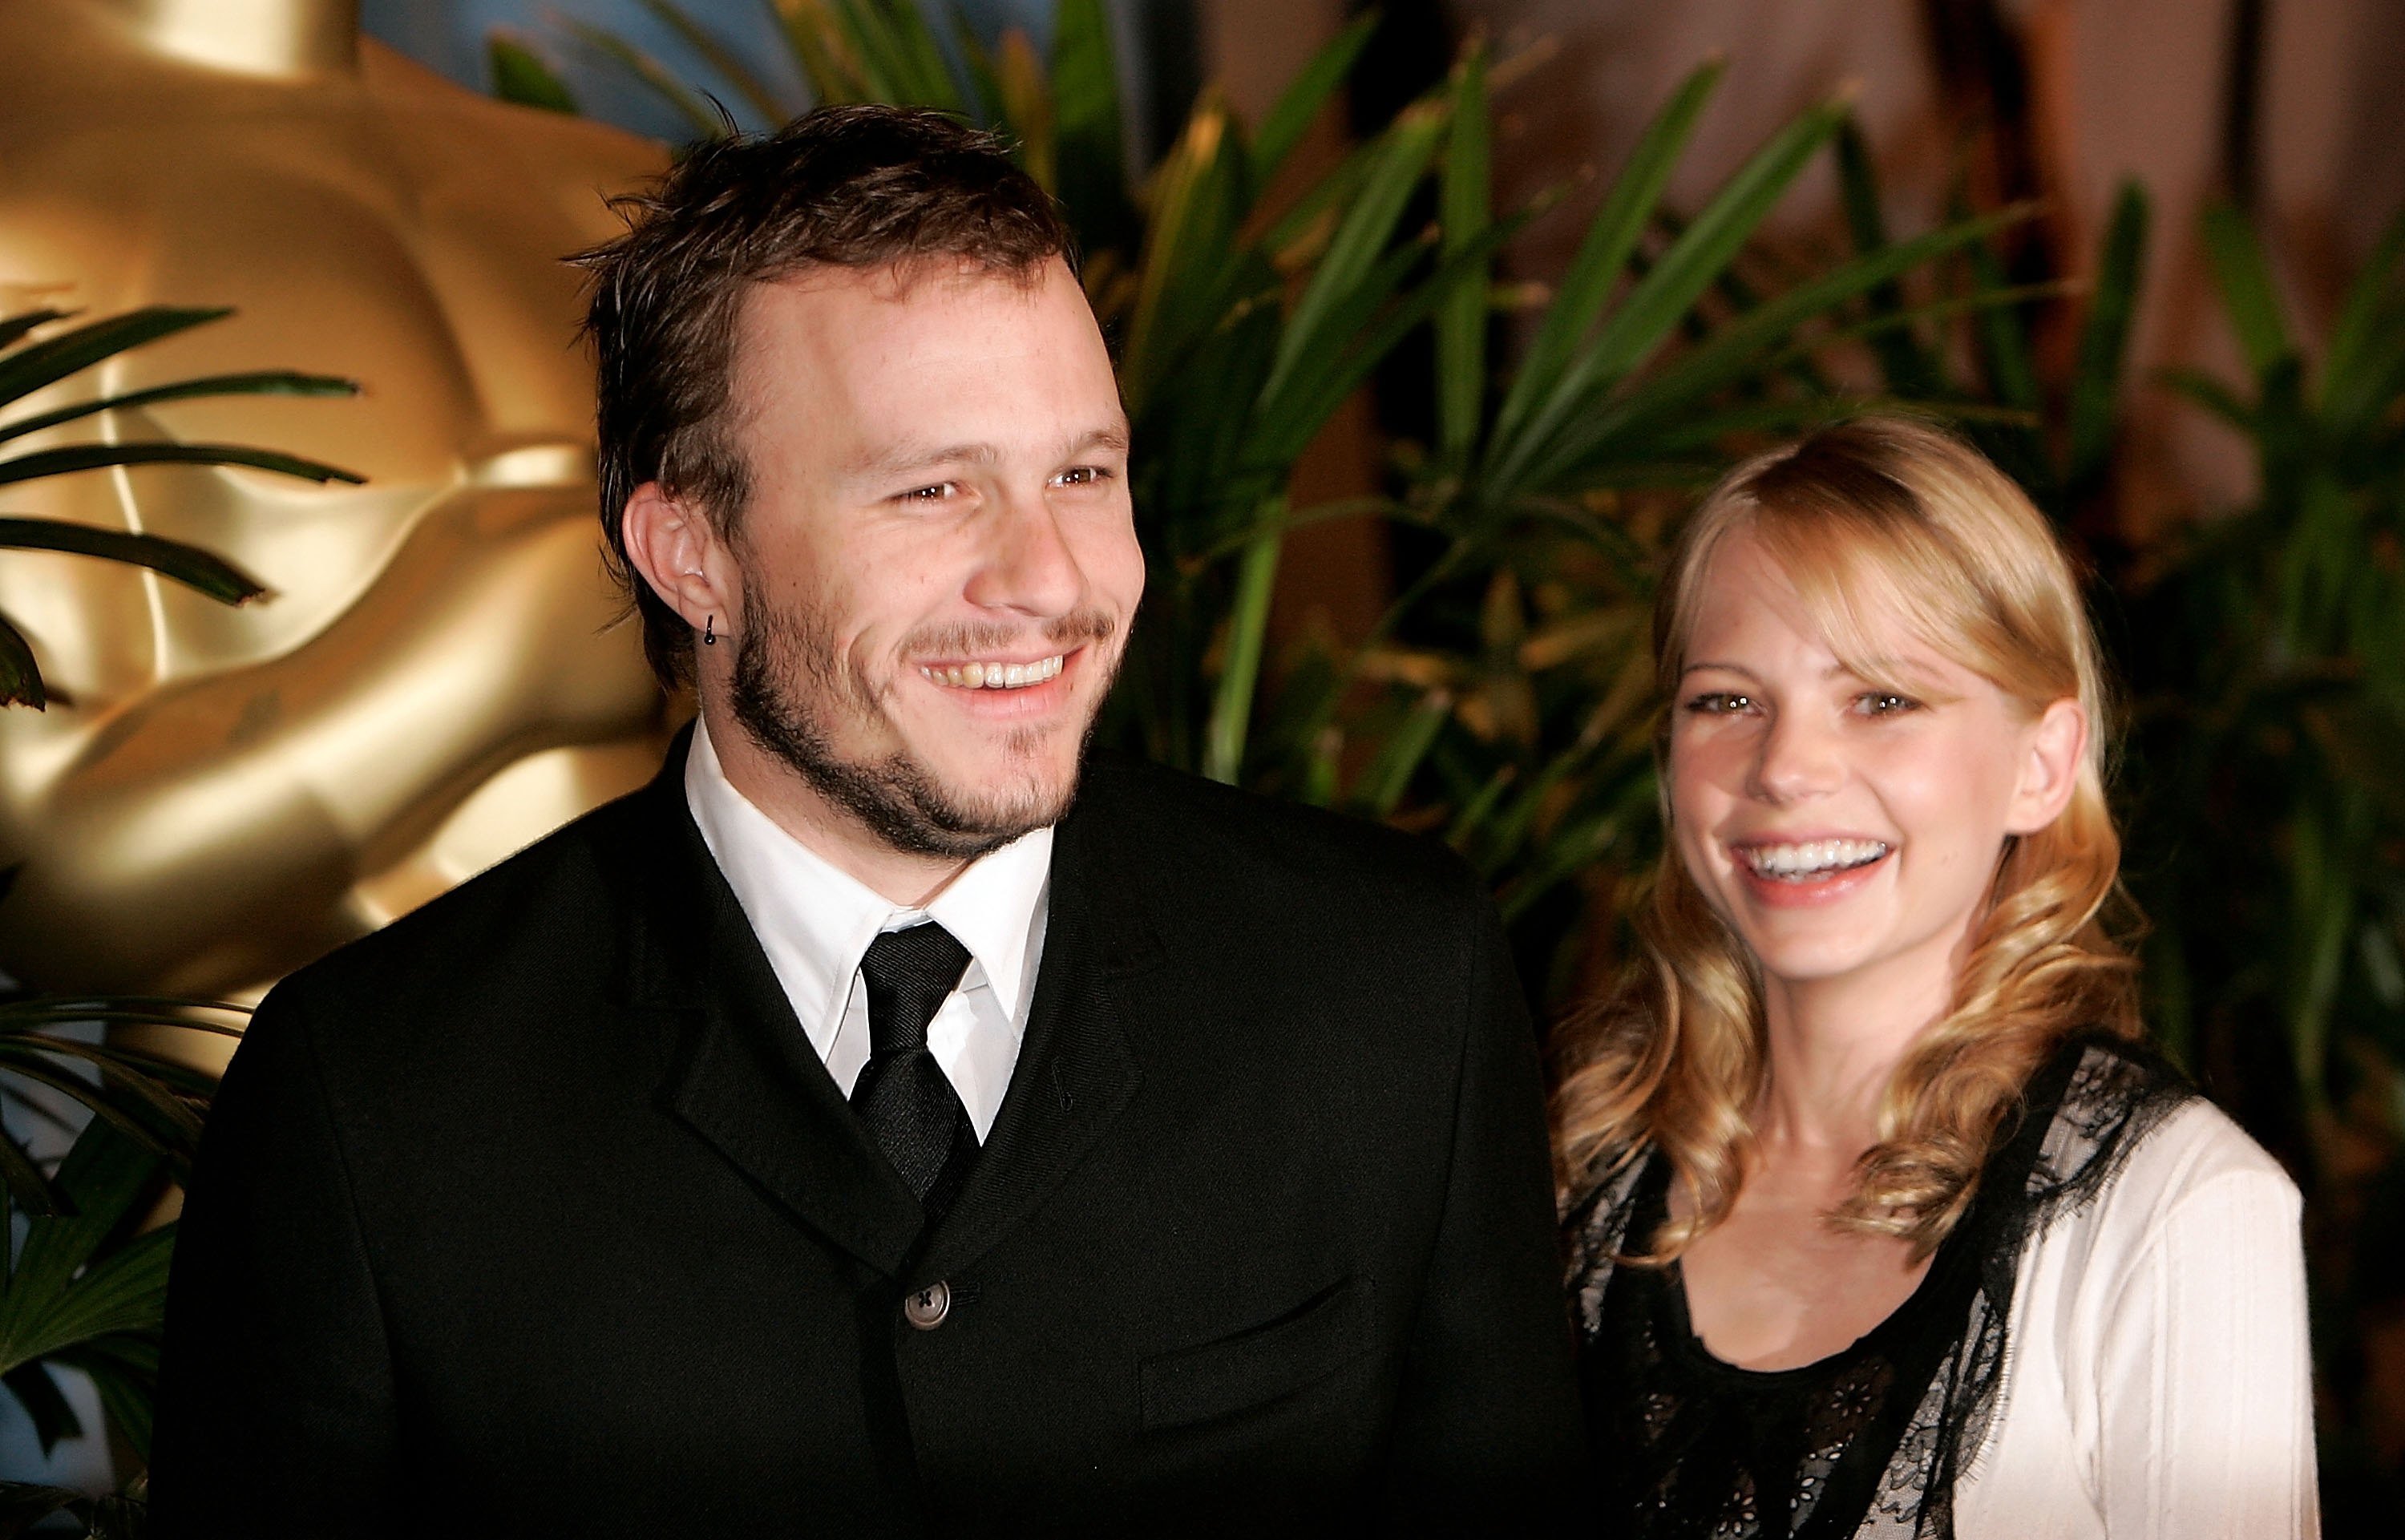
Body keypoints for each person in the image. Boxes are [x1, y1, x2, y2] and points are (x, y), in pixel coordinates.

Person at [149, 106, 1585, 1536]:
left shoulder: (1390, 984)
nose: (1048, 576)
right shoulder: (375, 1100)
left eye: (1083, 472)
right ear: (691, 553)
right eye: (933, 489)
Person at [1551, 416, 2318, 1538]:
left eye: (1882, 698)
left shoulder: (2180, 1206)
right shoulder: (1585, 1166)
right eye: (1726, 700)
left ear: (2041, 764)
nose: (1785, 769)